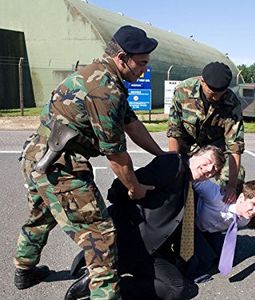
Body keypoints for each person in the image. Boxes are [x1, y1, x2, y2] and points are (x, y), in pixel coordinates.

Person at [14, 25, 165, 299]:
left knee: (41, 216)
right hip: (62, 168)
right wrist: (134, 188)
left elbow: (132, 124)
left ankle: (24, 271)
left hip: (36, 158)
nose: (144, 69)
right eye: (141, 63)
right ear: (122, 58)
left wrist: (162, 155)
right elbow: (116, 156)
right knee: (100, 236)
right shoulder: (105, 90)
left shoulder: (97, 74)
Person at [64, 145, 226, 300]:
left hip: (151, 249)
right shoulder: (173, 165)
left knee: (177, 288)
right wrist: (118, 226)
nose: (210, 170)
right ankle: (99, 282)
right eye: (208, 162)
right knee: (175, 288)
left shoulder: (190, 187)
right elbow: (123, 186)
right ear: (196, 154)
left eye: (215, 170)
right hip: (131, 240)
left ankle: (107, 288)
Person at [167, 61, 245, 204]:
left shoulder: (232, 103)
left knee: (236, 177)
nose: (216, 99)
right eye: (213, 94)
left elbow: (234, 146)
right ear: (203, 82)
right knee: (176, 180)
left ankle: (228, 218)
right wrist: (174, 165)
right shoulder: (183, 91)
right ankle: (183, 215)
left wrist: (232, 186)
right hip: (188, 145)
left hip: (215, 148)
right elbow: (174, 131)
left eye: (220, 95)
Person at [186, 179, 255, 281]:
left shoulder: (245, 219)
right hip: (189, 225)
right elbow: (195, 179)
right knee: (202, 261)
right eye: (253, 204)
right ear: (241, 197)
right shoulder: (216, 196)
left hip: (212, 232)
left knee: (224, 258)